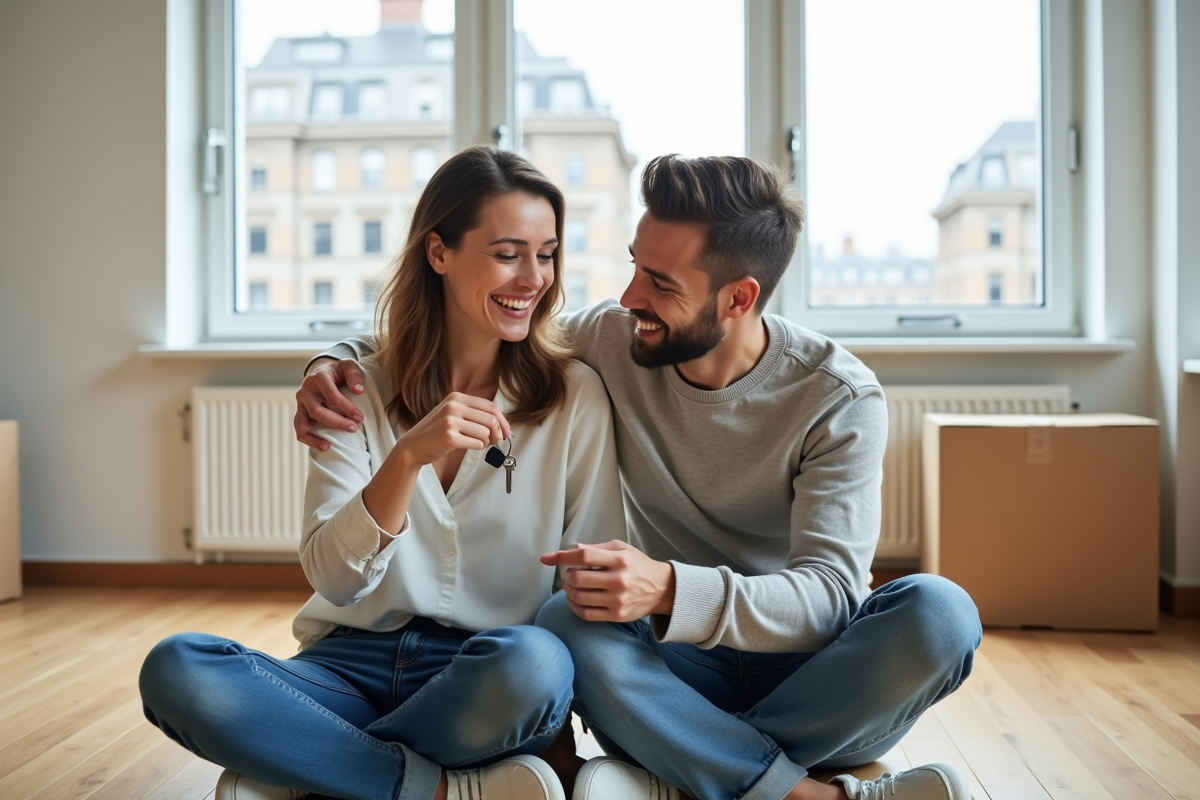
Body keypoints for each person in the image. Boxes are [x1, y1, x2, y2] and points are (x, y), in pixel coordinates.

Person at [296, 154, 982, 800]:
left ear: (738, 298)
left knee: (941, 614)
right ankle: (782, 785)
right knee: (566, 618)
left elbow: (830, 598)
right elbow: (478, 316)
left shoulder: (837, 398)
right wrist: (334, 362)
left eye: (661, 283)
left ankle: (688, 764)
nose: (630, 296)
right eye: (635, 267)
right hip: (666, 664)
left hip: (806, 671)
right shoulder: (615, 339)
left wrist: (671, 587)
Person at [139, 146, 625, 800]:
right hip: (348, 666)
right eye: (509, 253)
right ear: (439, 252)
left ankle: (322, 764)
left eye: (547, 253)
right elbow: (334, 580)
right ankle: (431, 789)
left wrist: (564, 721)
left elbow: (582, 587)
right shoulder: (353, 389)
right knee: (178, 671)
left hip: (486, 672)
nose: (533, 278)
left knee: (536, 666)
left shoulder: (575, 396)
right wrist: (407, 456)